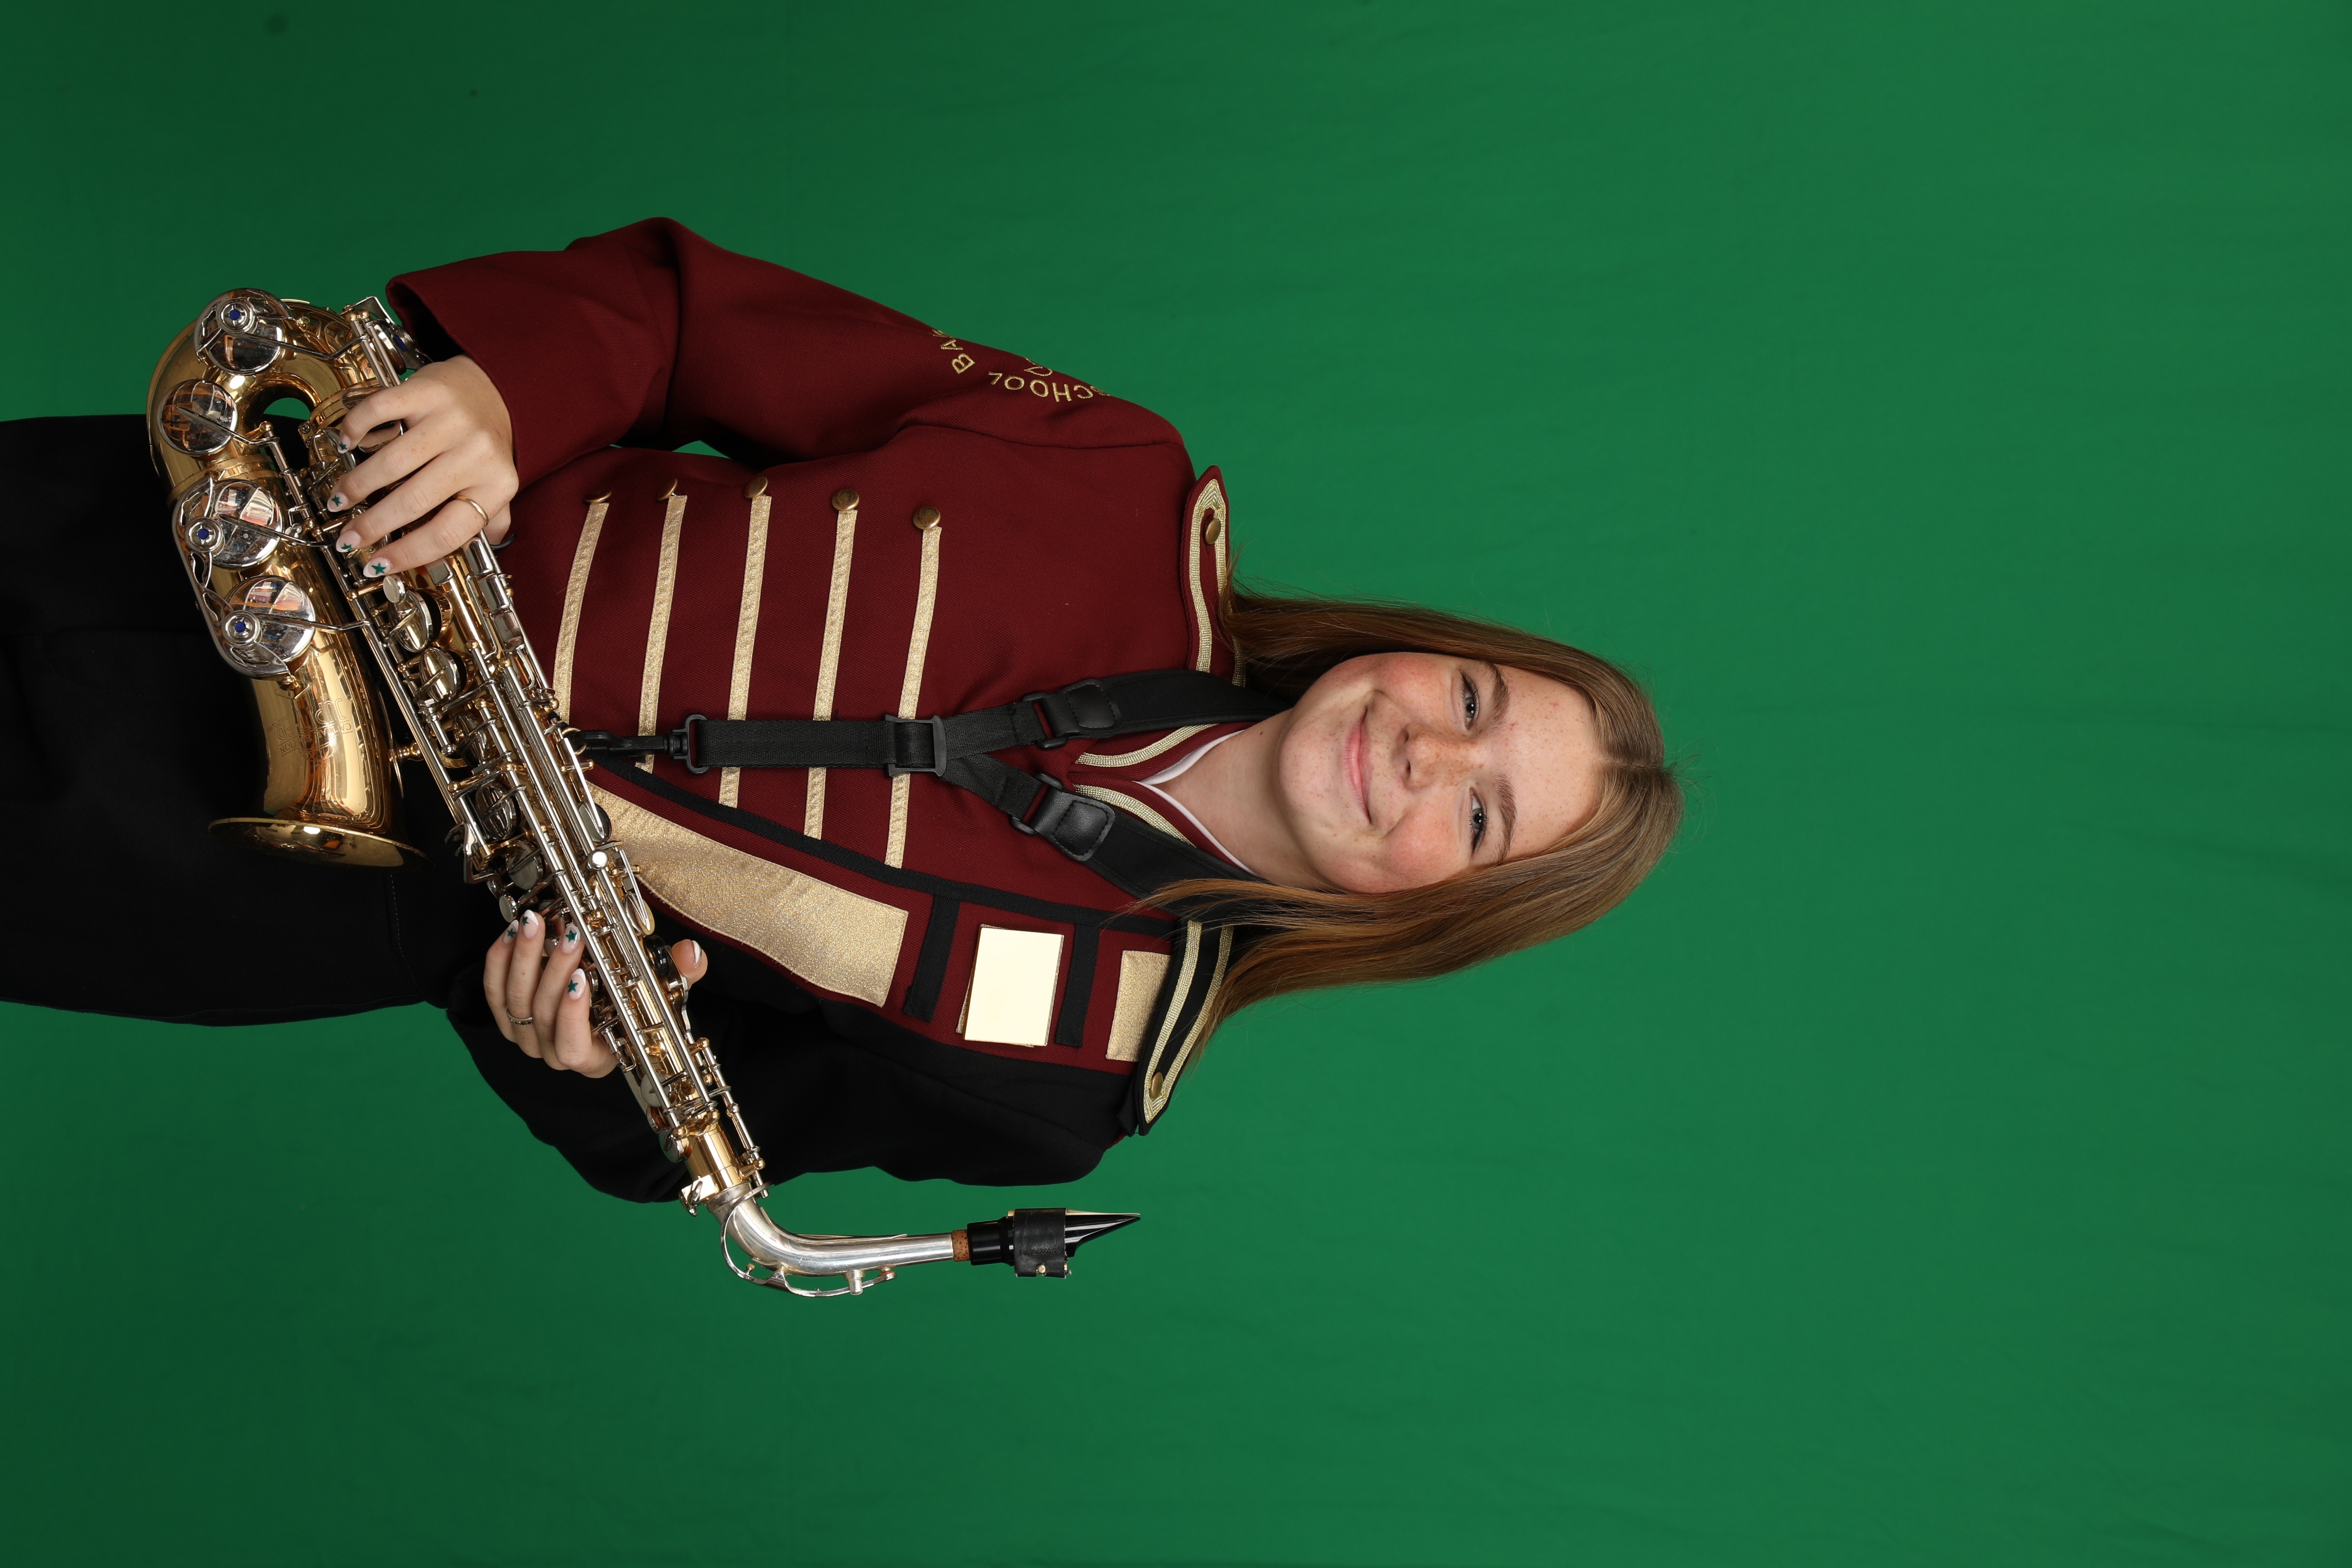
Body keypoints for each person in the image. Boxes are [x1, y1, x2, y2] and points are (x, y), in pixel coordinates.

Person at [0, 220, 1680, 1204]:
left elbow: (689, 1134)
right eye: (1473, 699)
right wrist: (506, 396)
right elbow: (685, 318)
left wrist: (570, 1059)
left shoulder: (1066, 1078)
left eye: (1480, 814)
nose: (1427, 754)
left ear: (1436, 914)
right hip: (234, 528)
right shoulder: (1115, 473)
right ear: (1425, 649)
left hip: (265, 870)